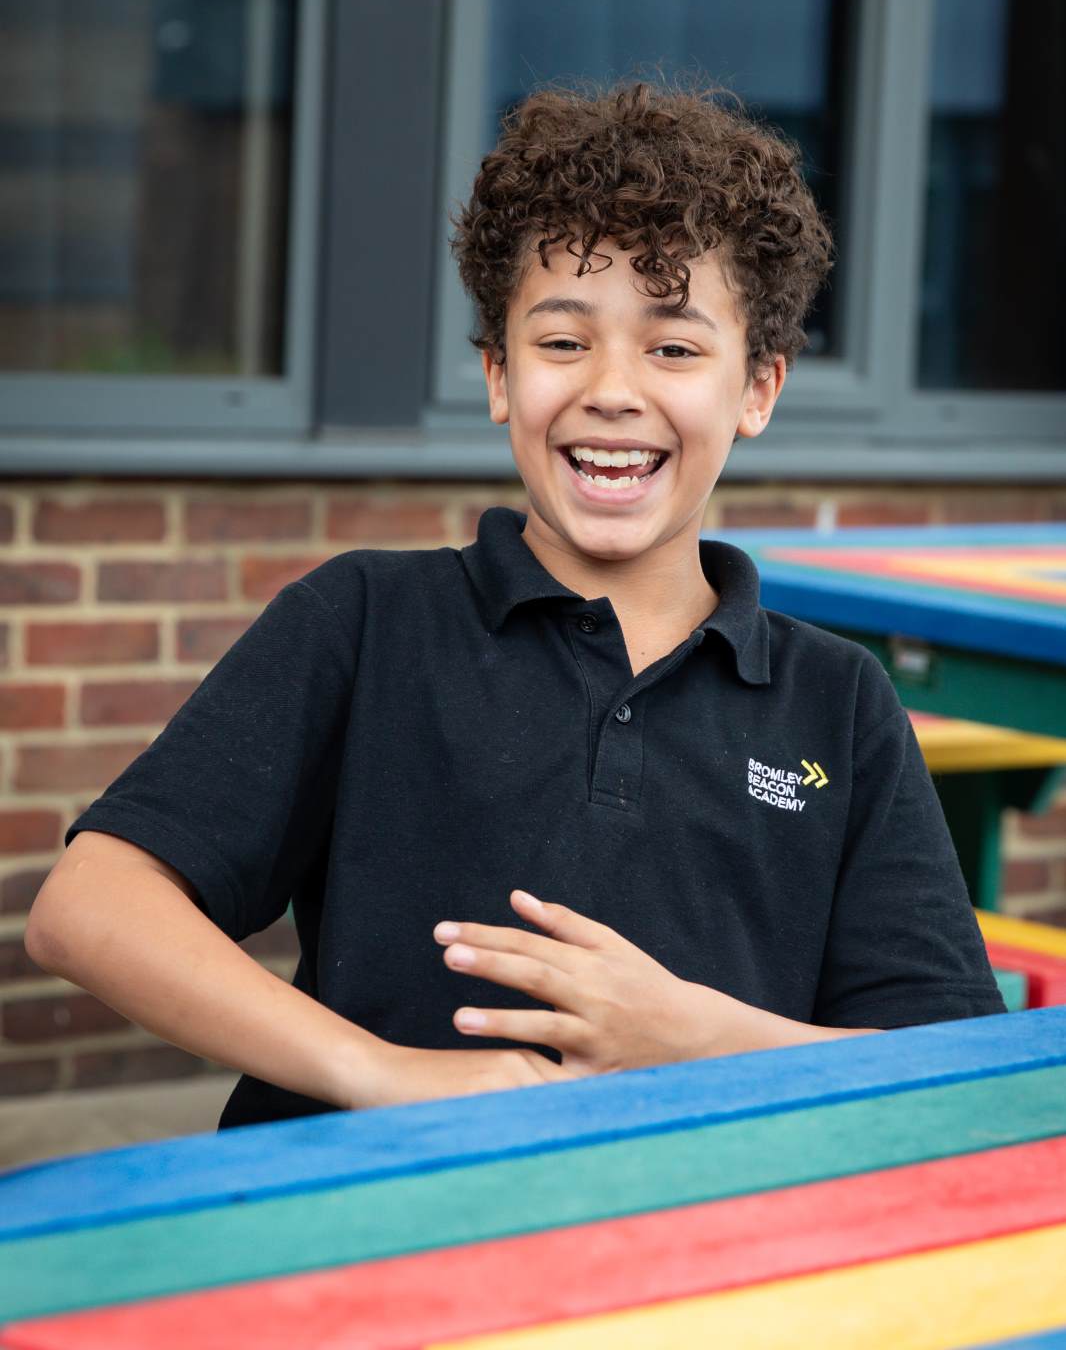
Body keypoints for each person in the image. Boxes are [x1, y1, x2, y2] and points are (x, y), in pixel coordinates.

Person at [25, 80, 1005, 1131]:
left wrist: (694, 1040)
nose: (613, 390)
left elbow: (953, 1073)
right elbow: (87, 907)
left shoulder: (839, 702)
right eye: (563, 341)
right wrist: (379, 1073)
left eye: (674, 347)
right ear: (498, 374)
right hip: (355, 1210)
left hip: (694, 1225)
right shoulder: (365, 620)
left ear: (757, 388)